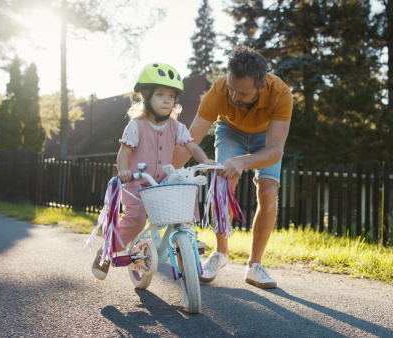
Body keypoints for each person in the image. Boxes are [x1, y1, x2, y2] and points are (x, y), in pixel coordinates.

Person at [172, 46, 293, 289]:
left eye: (243, 93)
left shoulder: (280, 93)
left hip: (265, 137)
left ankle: (255, 266)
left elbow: (275, 150)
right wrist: (164, 173)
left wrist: (243, 161)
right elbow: (190, 140)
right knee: (222, 183)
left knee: (268, 191)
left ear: (261, 87)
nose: (234, 97)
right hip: (230, 131)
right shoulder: (218, 91)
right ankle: (220, 253)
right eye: (231, 89)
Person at [92, 62, 215, 280]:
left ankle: (186, 243)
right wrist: (123, 171)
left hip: (163, 180)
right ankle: (107, 252)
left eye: (171, 95)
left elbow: (192, 146)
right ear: (147, 96)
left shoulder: (177, 127)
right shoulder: (136, 125)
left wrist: (205, 161)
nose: (167, 99)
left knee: (182, 197)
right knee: (136, 220)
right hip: (137, 182)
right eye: (160, 94)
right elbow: (124, 153)